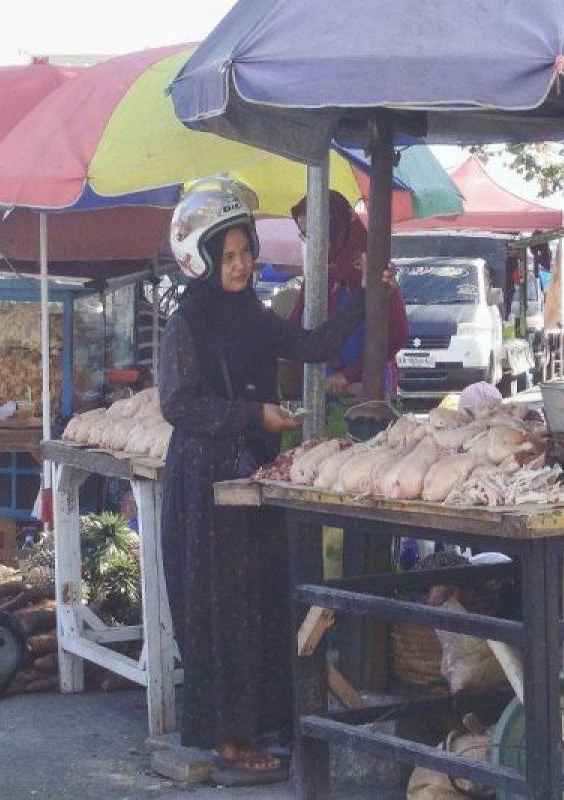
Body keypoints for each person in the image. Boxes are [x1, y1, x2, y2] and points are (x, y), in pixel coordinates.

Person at [159, 178, 382, 780]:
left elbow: (315, 345)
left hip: (251, 476)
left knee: (258, 603)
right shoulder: (186, 323)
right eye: (227, 256)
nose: (239, 265)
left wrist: (362, 299)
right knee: (216, 609)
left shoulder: (255, 315)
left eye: (245, 252)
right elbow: (179, 405)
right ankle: (225, 745)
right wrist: (253, 415)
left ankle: (258, 726)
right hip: (204, 485)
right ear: (200, 260)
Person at [290, 190, 408, 404]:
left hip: (367, 392)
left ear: (336, 229)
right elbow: (294, 335)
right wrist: (312, 381)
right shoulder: (318, 277)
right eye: (304, 234)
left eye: (313, 233)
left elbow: (396, 335)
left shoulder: (373, 270)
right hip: (322, 395)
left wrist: (350, 375)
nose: (310, 242)